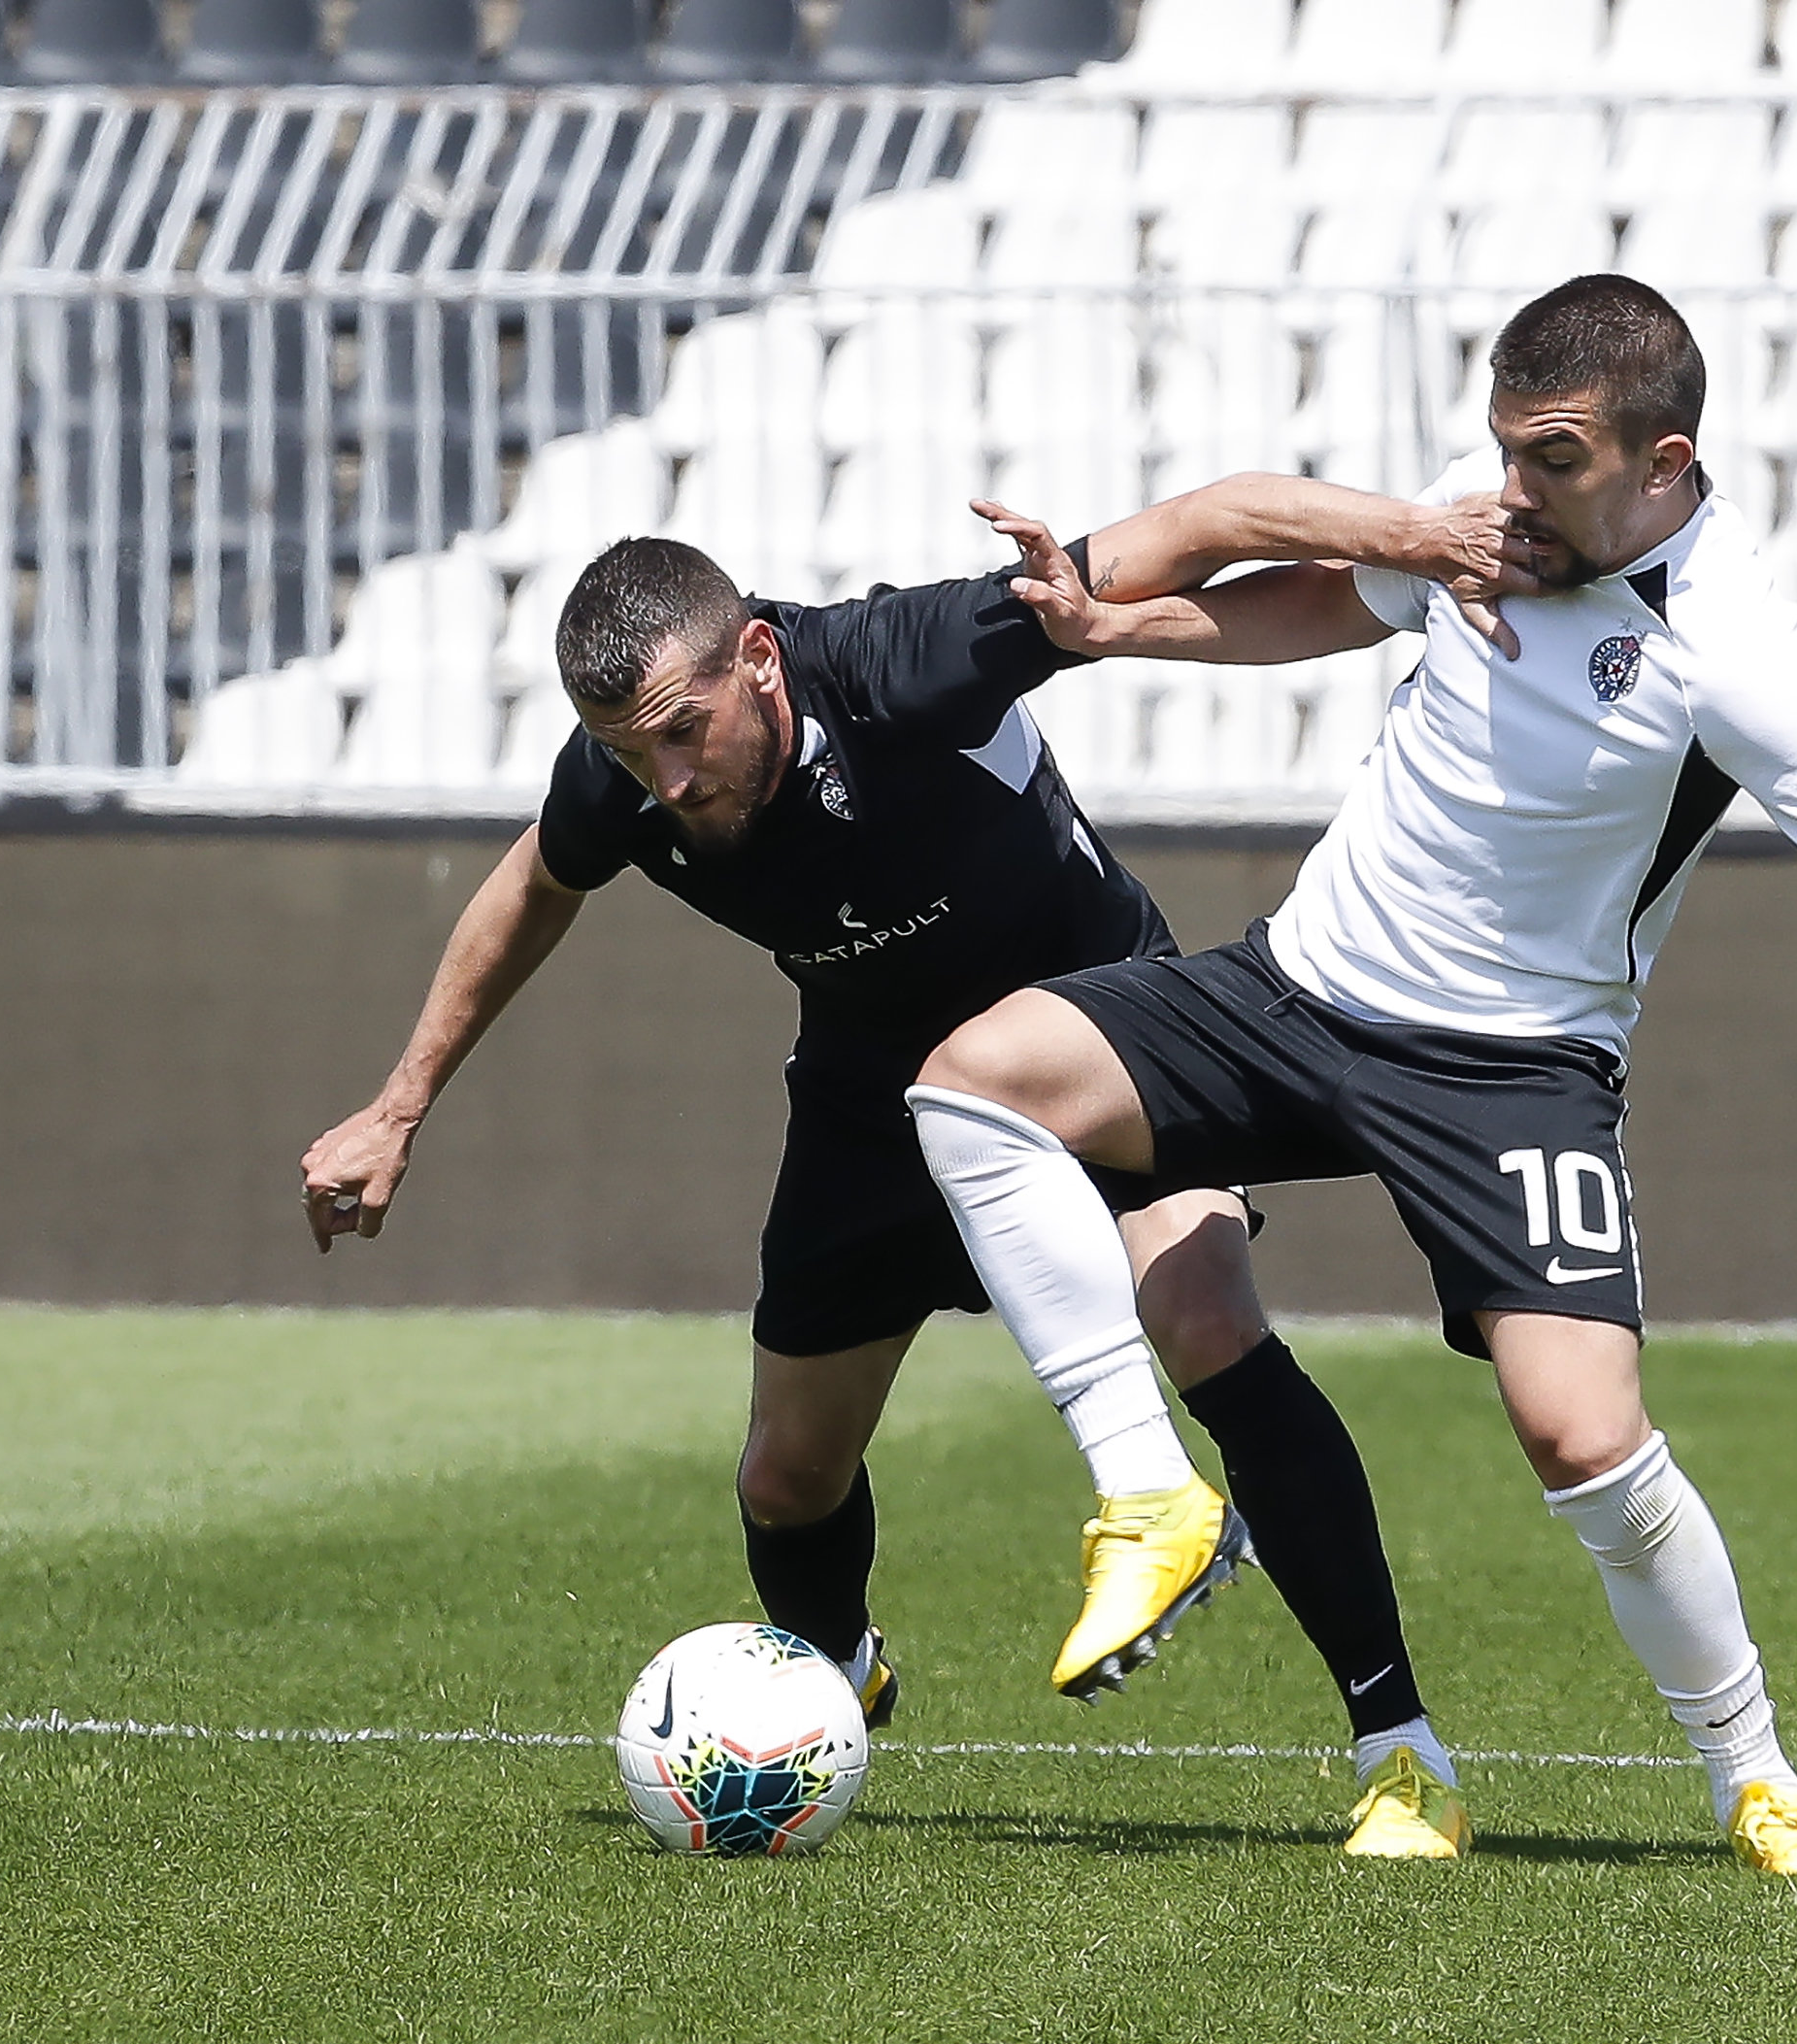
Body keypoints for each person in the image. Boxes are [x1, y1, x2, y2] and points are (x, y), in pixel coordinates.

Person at [906, 274, 1797, 1875]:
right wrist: (1122, 630)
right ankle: (1170, 1514)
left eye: (1553, 457)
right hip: (1300, 989)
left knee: (1581, 1434)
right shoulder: (1492, 522)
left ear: (1665, 461)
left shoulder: (1737, 652)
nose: (1511, 490)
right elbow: (1325, 602)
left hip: (1513, 1074)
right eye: (1503, 448)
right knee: (974, 1079)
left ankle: (1755, 1778)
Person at [299, 477, 1534, 1858]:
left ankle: (1401, 1753)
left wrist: (1422, 540)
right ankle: (831, 1684)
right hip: (876, 1090)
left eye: (683, 736)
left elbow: (1205, 523)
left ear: (758, 660)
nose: (668, 784)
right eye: (630, 755)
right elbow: (536, 879)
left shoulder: (904, 664)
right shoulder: (631, 780)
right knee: (784, 1477)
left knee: (1211, 1323)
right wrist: (399, 1104)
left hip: (1103, 1030)